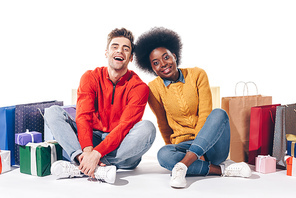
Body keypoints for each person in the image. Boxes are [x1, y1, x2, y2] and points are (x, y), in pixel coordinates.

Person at [134, 27, 251, 188]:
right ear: (152, 69)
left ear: (174, 56)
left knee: (219, 113)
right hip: (183, 145)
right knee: (163, 155)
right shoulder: (153, 89)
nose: (163, 64)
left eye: (166, 57)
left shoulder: (197, 74)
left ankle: (183, 166)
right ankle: (222, 170)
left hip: (211, 145)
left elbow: (204, 113)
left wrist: (198, 152)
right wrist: (175, 149)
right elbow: (163, 124)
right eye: (156, 63)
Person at [44, 27, 156, 184]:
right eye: (115, 47)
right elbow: (83, 116)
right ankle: (91, 164)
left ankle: (80, 166)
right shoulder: (90, 77)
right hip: (92, 139)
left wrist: (97, 154)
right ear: (106, 53)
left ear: (130, 58)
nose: (120, 51)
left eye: (126, 49)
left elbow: (125, 126)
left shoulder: (139, 87)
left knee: (148, 128)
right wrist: (89, 150)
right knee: (52, 112)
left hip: (122, 148)